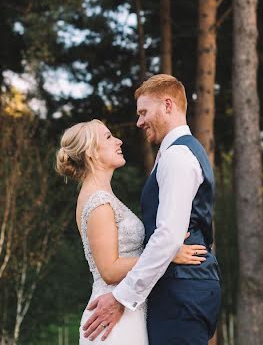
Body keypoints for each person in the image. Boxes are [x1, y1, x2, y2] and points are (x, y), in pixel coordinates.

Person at [82, 74, 221, 345]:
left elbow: (168, 237)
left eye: (144, 112)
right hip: (180, 290)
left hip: (181, 292)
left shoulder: (177, 157)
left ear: (167, 105)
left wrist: (122, 297)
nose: (139, 121)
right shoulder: (176, 153)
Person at [56, 118, 207, 344]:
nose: (118, 141)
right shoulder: (98, 202)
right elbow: (109, 269)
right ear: (91, 153)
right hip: (111, 321)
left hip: (126, 312)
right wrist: (167, 254)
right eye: (108, 137)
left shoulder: (102, 196)